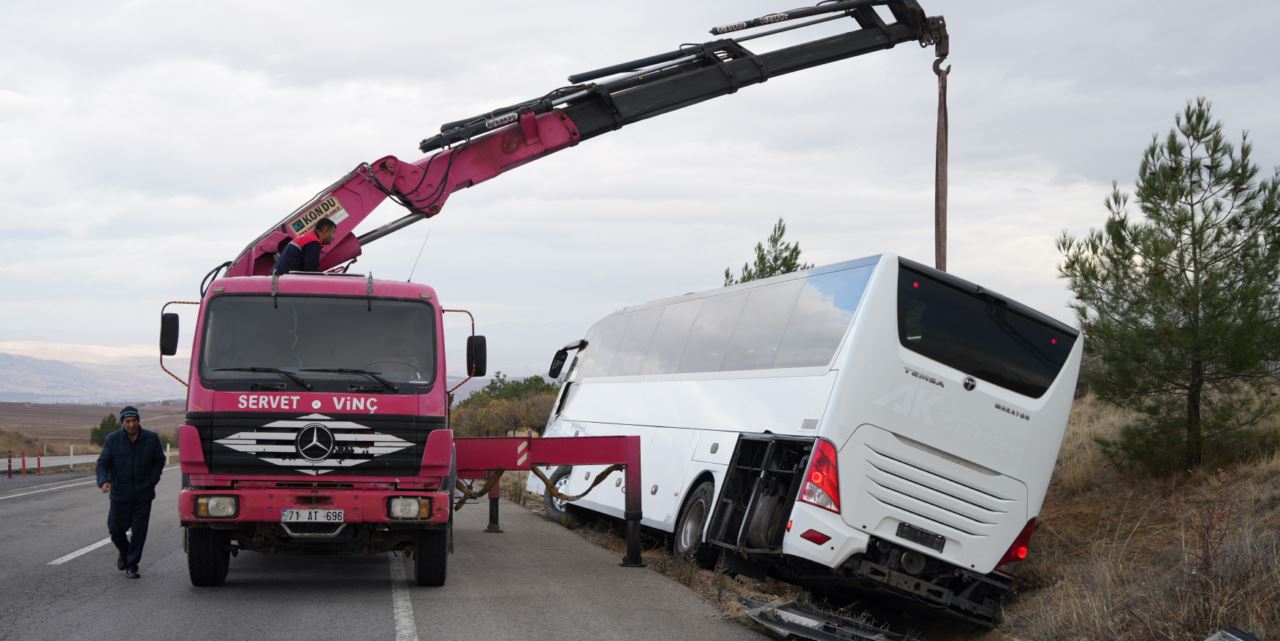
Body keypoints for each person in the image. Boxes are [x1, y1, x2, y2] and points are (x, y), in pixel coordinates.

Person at [95, 406, 166, 579]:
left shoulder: (151, 438)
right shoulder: (112, 440)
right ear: (122, 422)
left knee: (139, 532)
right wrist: (104, 480)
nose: (131, 424)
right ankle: (125, 552)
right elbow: (102, 463)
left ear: (138, 420)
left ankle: (132, 565)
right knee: (115, 530)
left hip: (143, 495)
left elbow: (159, 461)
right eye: (127, 421)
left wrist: (152, 480)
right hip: (120, 495)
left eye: (134, 420)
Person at [272, 217, 337, 275]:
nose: (334, 237)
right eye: (333, 232)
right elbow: (312, 272)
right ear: (325, 231)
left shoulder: (307, 238)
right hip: (282, 282)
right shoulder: (313, 242)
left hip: (278, 279)